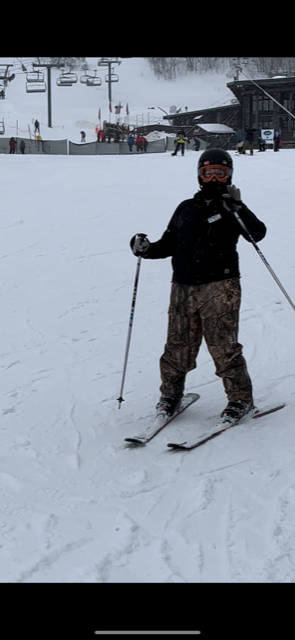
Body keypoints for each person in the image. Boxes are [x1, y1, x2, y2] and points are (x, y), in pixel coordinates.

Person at [130, 148, 267, 423]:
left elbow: (257, 234)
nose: (214, 178)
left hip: (221, 286)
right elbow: (169, 244)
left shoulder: (231, 208)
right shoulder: (186, 208)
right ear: (199, 175)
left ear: (229, 176)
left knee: (223, 345)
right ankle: (170, 395)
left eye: (221, 173)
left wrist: (238, 206)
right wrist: (145, 249)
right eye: (208, 173)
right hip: (182, 286)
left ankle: (240, 399)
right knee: (177, 345)